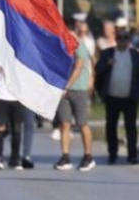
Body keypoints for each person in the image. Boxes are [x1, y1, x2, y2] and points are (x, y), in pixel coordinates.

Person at [95, 27, 139, 164]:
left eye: (125, 38)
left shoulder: (134, 55)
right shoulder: (108, 53)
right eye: (120, 38)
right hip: (112, 97)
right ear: (116, 39)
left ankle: (132, 154)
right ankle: (112, 153)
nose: (123, 41)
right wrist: (107, 65)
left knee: (130, 126)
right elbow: (98, 70)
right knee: (111, 126)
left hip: (129, 98)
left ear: (129, 40)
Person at [53, 31, 95, 172]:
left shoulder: (79, 46)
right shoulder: (61, 46)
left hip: (78, 89)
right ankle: (65, 156)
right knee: (65, 123)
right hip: (64, 90)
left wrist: (68, 85)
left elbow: (79, 66)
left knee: (82, 123)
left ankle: (88, 156)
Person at [0, 56, 24, 170]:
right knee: (0, 127)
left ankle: (15, 159)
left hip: (17, 97)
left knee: (16, 129)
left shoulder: (21, 52)